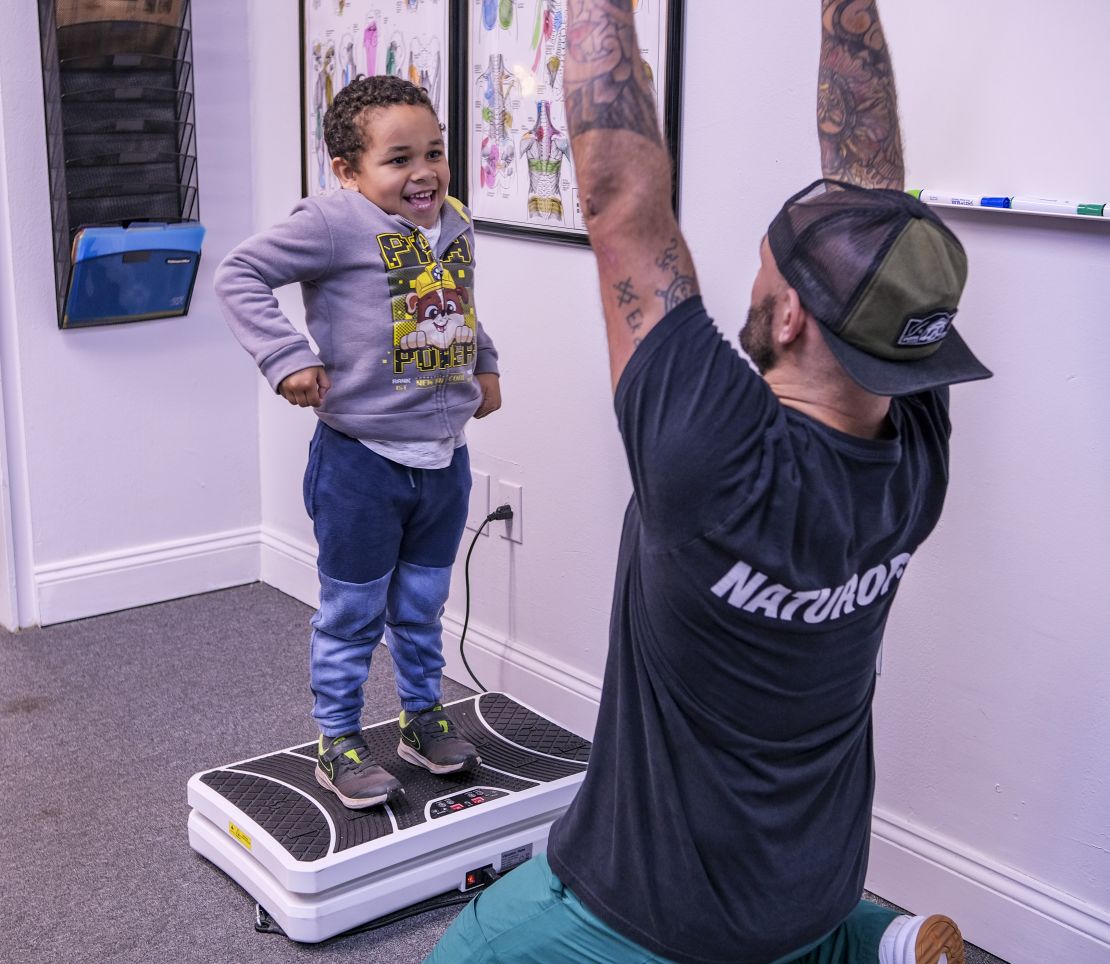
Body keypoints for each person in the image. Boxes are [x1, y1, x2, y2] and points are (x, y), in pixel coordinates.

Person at [426, 1, 987, 962]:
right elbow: (873, 203)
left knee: (469, 950)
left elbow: (615, 199)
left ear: (794, 320)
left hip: (651, 915)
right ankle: (868, 944)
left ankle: (863, 945)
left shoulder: (716, 459)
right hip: (815, 883)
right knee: (802, 932)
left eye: (765, 269)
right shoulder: (914, 453)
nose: (752, 280)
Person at [214, 76, 501, 810]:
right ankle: (337, 739)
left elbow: (455, 305)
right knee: (352, 611)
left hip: (444, 458)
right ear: (347, 171)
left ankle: (421, 718)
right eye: (399, 158)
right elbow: (240, 273)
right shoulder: (333, 223)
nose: (425, 172)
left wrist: (485, 365)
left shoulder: (453, 222)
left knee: (422, 602)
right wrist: (288, 357)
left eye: (435, 152)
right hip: (361, 463)